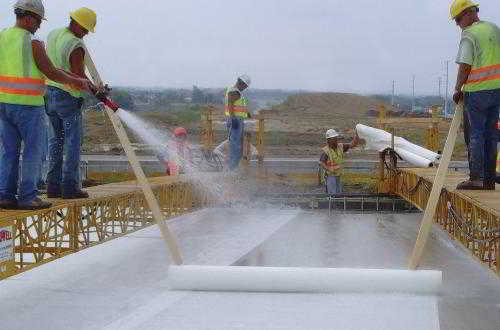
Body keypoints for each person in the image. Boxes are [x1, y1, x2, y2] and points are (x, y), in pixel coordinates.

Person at [0, 0, 91, 210]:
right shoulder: (32, 42)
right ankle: (28, 197)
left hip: (4, 104)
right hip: (28, 105)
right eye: (39, 20)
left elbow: (50, 68)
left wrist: (73, 78)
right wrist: (76, 81)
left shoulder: (3, 35)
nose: (39, 25)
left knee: (8, 151)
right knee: (34, 151)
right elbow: (50, 71)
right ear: (29, 17)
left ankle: (5, 195)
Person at [45, 7, 98, 199]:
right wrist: (95, 89)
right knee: (73, 143)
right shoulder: (75, 44)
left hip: (49, 93)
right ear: (75, 23)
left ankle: (52, 186)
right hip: (68, 97)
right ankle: (69, 187)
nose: (84, 34)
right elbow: (78, 76)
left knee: (56, 142)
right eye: (84, 29)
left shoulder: (53, 34)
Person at [450, 0, 500, 190]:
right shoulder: (495, 29)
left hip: (478, 91)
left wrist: (457, 89)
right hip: (497, 90)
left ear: (469, 13)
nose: (457, 24)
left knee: (476, 135)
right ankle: (488, 180)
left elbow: (465, 66)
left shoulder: (469, 34)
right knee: (491, 135)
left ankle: (476, 178)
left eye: (457, 19)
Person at [319, 129, 360, 195]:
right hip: (330, 176)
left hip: (338, 175)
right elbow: (321, 163)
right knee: (332, 194)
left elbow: (352, 145)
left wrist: (357, 135)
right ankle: (331, 205)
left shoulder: (340, 146)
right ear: (329, 140)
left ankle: (337, 204)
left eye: (336, 138)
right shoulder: (326, 151)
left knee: (338, 194)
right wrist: (328, 168)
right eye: (334, 138)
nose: (336, 140)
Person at [224, 74, 251, 170]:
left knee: (237, 146)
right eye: (245, 86)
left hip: (238, 119)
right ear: (241, 82)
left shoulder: (236, 91)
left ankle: (233, 168)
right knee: (235, 146)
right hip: (235, 120)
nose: (245, 88)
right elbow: (230, 104)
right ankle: (231, 170)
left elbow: (237, 106)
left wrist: (246, 113)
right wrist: (233, 118)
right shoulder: (234, 91)